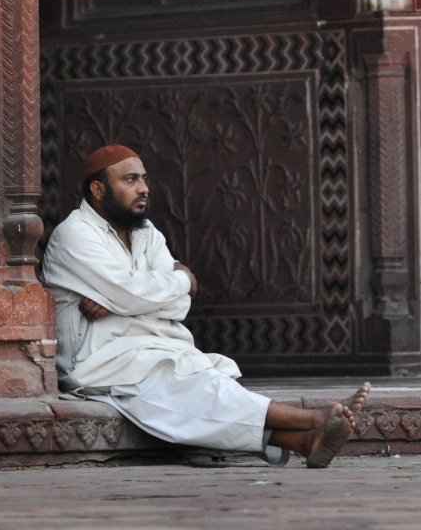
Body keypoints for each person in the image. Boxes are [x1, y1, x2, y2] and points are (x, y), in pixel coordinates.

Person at [41, 143, 371, 468]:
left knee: (195, 391)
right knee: (197, 387)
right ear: (98, 189)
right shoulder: (75, 234)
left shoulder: (146, 232)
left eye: (143, 179)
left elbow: (176, 307)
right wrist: (182, 279)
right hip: (95, 360)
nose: (144, 188)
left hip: (149, 348)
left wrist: (120, 303)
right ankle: (312, 418)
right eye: (130, 180)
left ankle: (303, 441)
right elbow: (134, 293)